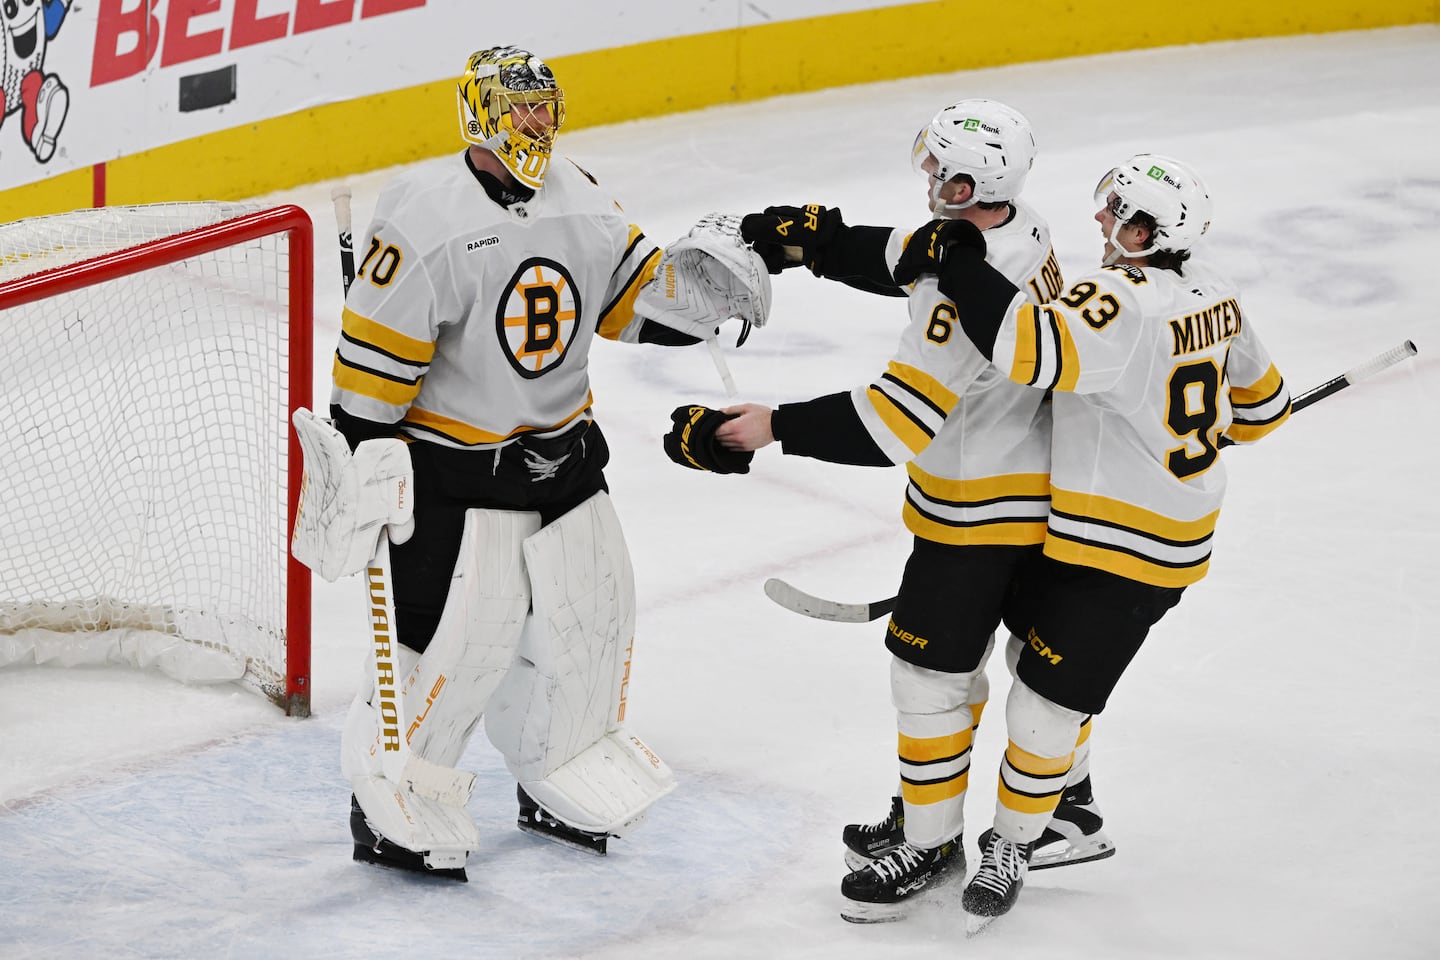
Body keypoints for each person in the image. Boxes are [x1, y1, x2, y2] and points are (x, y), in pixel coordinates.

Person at [288, 45, 767, 882]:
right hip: (457, 475)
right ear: (477, 114)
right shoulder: (423, 216)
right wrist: (366, 455)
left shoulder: (577, 195)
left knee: (592, 624)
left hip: (569, 458)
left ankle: (558, 771)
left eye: (544, 108)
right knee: (457, 648)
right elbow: (368, 385)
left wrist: (700, 299)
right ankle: (395, 793)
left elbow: (632, 299)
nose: (533, 125)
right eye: (517, 110)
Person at [669, 99, 1105, 923]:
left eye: (941, 168)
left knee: (930, 679)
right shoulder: (1021, 227)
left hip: (977, 514)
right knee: (1036, 670)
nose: (929, 175)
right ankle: (1063, 808)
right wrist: (810, 243)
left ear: (972, 180)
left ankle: (934, 843)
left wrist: (756, 430)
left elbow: (892, 422)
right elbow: (913, 256)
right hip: (1037, 491)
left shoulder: (958, 301)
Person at [891, 153, 1291, 931]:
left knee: (1043, 708)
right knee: (1025, 665)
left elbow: (1026, 350)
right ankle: (1069, 808)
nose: (1102, 223)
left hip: (1123, 551)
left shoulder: (1117, 296)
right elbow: (1263, 409)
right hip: (1113, 534)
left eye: (1119, 215)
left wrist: (960, 262)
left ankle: (1015, 842)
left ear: (1148, 233)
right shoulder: (1215, 288)